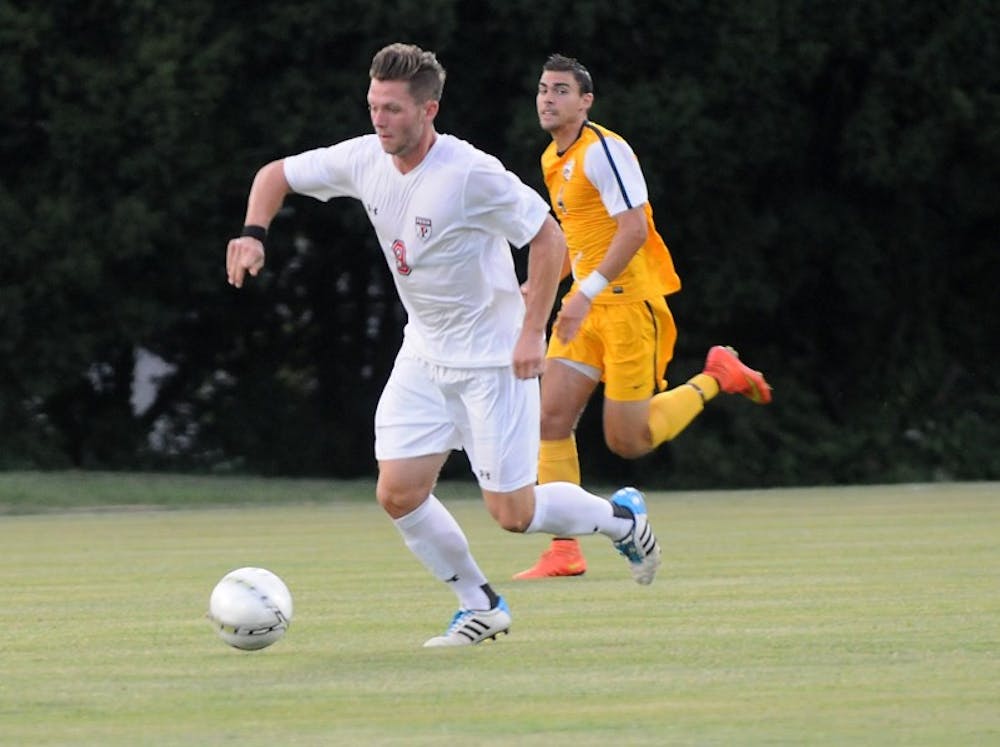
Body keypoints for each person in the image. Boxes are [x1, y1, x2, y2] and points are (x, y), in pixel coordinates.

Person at [226, 43, 662, 648]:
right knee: (398, 492)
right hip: (425, 355)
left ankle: (622, 520)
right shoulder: (364, 158)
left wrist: (532, 330)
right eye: (374, 105)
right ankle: (480, 605)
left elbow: (548, 239)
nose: (380, 119)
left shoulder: (469, 173)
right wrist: (252, 234)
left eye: (394, 109)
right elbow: (274, 175)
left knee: (515, 514)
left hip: (493, 360)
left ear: (429, 109)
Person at [513, 54, 772, 580]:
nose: (548, 98)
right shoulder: (551, 159)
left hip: (630, 309)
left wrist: (582, 294)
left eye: (561, 90)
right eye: (543, 89)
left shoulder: (605, 151)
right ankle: (565, 550)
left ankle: (716, 376)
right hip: (585, 310)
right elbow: (578, 242)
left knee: (627, 442)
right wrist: (541, 286)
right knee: (549, 419)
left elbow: (632, 230)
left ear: (586, 101)